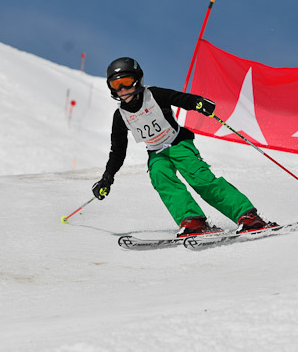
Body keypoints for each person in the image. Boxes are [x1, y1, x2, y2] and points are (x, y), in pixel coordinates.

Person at [92, 57, 276, 237]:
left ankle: (247, 216)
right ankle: (193, 221)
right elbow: (117, 151)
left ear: (138, 79)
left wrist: (199, 103)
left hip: (178, 143)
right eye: (116, 85)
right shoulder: (120, 116)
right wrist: (107, 178)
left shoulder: (153, 95)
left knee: (200, 179)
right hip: (156, 152)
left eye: (126, 82)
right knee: (160, 177)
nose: (123, 89)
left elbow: (179, 98)